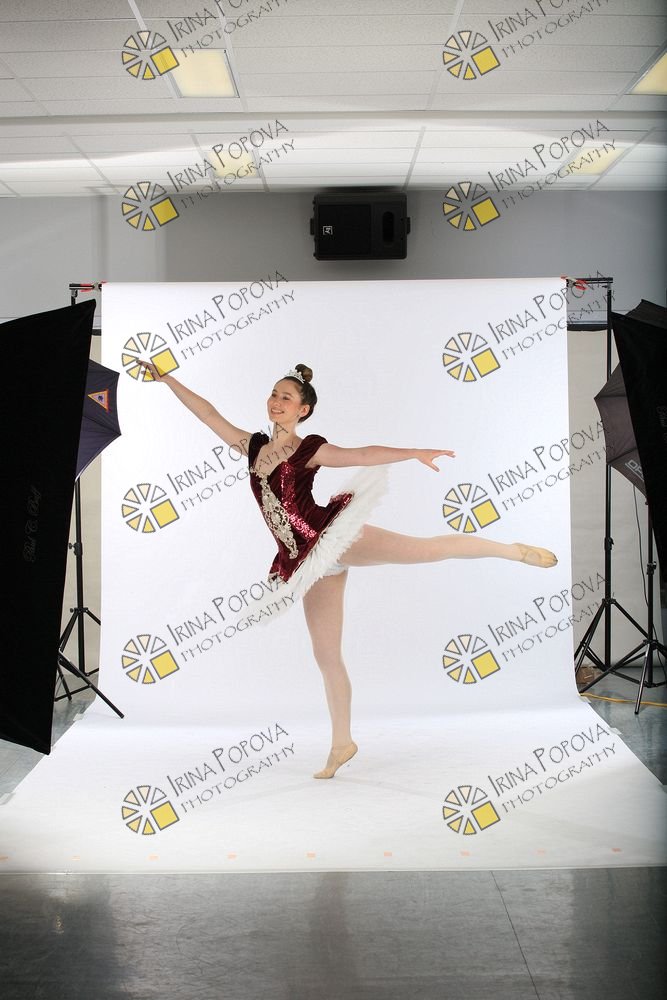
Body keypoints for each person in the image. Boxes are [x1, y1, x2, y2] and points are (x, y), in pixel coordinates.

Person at [141, 361, 557, 779]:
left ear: (303, 410)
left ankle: (513, 551)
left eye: (287, 397)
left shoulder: (308, 449)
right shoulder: (252, 446)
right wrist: (167, 378)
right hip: (306, 563)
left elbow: (362, 454)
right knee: (326, 655)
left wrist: (413, 452)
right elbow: (208, 413)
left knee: (426, 550)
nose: (277, 401)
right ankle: (342, 743)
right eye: (274, 394)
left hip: (331, 536)